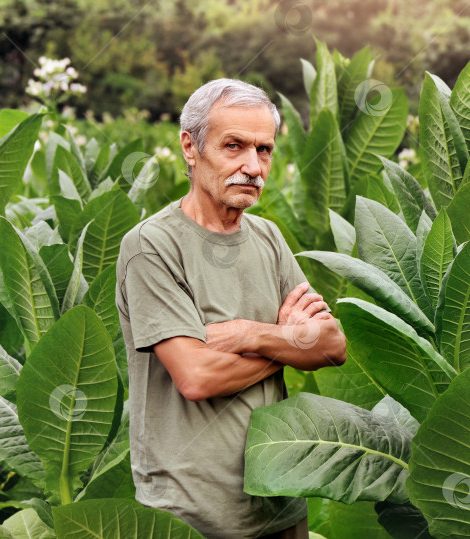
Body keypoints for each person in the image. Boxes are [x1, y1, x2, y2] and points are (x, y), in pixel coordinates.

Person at [115, 78, 347, 538]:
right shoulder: (151, 246)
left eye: (264, 150)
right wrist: (287, 341)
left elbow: (333, 345)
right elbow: (197, 377)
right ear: (190, 147)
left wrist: (247, 334)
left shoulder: (268, 238)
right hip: (192, 514)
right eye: (234, 146)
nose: (252, 166)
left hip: (280, 500)